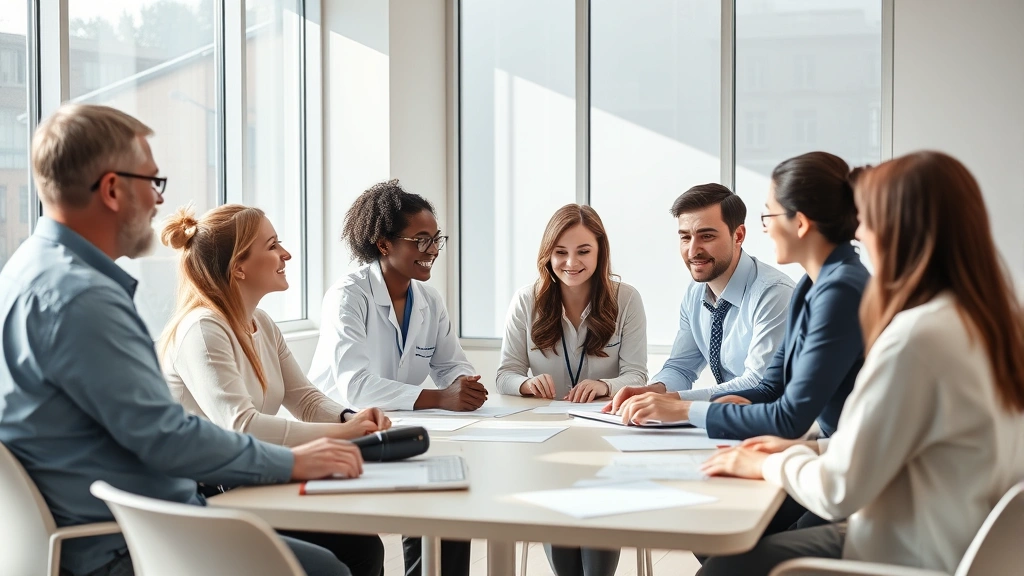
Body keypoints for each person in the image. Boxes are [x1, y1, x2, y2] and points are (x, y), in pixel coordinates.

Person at [0, 104, 363, 576]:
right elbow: (167, 438)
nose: (157, 201)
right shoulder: (82, 298)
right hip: (126, 540)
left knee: (347, 552)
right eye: (152, 182)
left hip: (108, 525)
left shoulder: (26, 270)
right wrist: (291, 463)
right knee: (330, 569)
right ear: (112, 189)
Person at [697, 151, 1024, 575]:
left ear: (896, 231)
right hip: (967, 544)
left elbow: (839, 491)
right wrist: (810, 448)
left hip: (907, 553)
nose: (860, 234)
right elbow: (906, 442)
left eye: (866, 221)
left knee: (729, 566)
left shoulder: (916, 339)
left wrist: (769, 463)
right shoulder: (994, 324)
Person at [159, 203, 392, 576]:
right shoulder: (202, 329)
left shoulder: (261, 324)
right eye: (272, 245)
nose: (286, 254)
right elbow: (242, 426)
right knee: (347, 555)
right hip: (203, 500)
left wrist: (351, 417)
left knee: (361, 544)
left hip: (243, 480)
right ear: (238, 267)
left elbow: (305, 398)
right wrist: (343, 433)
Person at [615, 153, 868, 445]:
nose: (766, 228)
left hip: (847, 458)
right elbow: (770, 388)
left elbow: (789, 416)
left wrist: (683, 408)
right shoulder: (811, 286)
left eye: (769, 216)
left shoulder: (839, 291)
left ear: (799, 223)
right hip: (828, 447)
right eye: (685, 237)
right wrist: (664, 397)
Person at [307, 179, 481, 576]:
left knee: (451, 501)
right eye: (420, 240)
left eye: (436, 239)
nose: (433, 250)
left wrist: (466, 383)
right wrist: (441, 398)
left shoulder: (429, 300)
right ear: (383, 244)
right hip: (342, 435)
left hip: (397, 430)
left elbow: (450, 363)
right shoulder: (348, 296)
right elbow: (356, 385)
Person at [496, 204, 646, 576]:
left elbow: (638, 376)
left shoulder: (626, 299)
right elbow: (505, 374)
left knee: (595, 561)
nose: (570, 262)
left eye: (583, 251)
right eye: (560, 252)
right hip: (546, 440)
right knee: (566, 560)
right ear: (548, 254)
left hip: (606, 437)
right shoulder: (526, 300)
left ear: (600, 252)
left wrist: (605, 385)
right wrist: (526, 384)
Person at [604, 184, 794, 422]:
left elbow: (758, 383)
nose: (693, 250)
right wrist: (654, 390)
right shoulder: (695, 294)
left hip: (772, 425)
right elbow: (682, 367)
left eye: (707, 236)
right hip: (726, 421)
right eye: (685, 237)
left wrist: (673, 403)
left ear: (739, 236)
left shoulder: (773, 293)